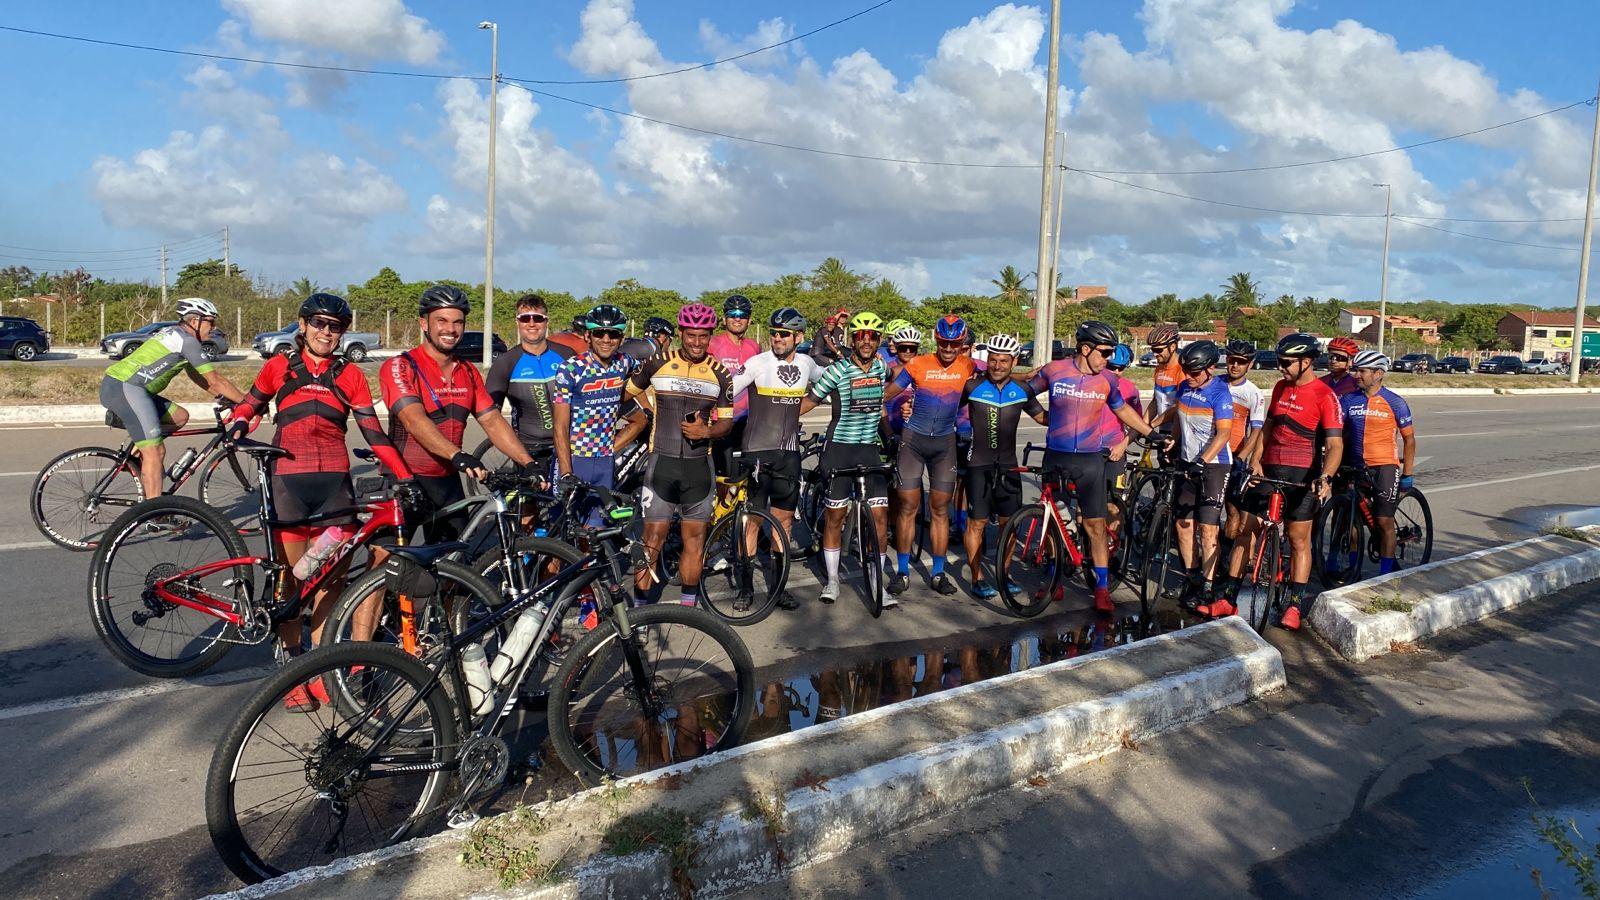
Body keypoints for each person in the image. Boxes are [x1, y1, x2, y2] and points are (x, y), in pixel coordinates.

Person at [224, 293, 420, 708]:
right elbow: (250, 405)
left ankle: (321, 670)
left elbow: (372, 433)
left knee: (328, 583)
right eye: (319, 324)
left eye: (336, 327)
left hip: (334, 489)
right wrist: (240, 422)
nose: (326, 333)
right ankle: (293, 672)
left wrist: (403, 475)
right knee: (291, 584)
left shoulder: (349, 376)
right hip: (288, 486)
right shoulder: (279, 366)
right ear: (302, 324)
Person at [1026, 321, 1170, 612]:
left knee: (1095, 526)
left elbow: (1123, 410)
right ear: (1085, 347)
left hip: (1090, 462)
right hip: (1057, 457)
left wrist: (1149, 433)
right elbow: (1025, 394)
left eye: (1111, 353)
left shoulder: (1108, 380)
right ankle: (1055, 581)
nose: (1107, 359)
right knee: (1054, 522)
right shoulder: (1055, 370)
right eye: (1104, 352)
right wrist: (1041, 417)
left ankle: (1102, 589)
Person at [379, 284, 535, 543]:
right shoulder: (401, 366)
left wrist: (527, 462)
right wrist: (458, 455)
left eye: (458, 322)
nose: (450, 329)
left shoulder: (468, 371)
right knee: (384, 567)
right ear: (424, 323)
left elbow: (492, 421)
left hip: (446, 482)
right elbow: (414, 420)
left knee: (454, 563)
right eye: (441, 320)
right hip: (403, 481)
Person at [1213, 333, 1344, 629]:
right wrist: (1257, 459)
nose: (1281, 367)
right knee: (1247, 530)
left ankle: (1294, 606)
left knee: (1298, 540)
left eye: (1286, 362)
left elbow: (1335, 445)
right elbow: (1268, 427)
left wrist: (1325, 476)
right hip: (1270, 469)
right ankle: (1229, 596)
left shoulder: (1325, 395)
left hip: (1304, 475)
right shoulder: (1281, 386)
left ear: (1306, 362)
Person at [625, 303, 735, 609]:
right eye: (691, 336)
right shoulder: (656, 362)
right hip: (662, 463)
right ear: (681, 333)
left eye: (703, 336)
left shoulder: (720, 374)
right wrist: (641, 415)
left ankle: (689, 607)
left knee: (694, 541)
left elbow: (726, 422)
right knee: (652, 540)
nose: (697, 343)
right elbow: (623, 394)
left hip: (699, 469)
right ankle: (640, 611)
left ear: (710, 335)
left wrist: (708, 433)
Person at [100, 298, 247, 500]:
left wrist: (222, 397)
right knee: (155, 451)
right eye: (210, 322)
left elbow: (197, 375)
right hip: (126, 388)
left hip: (125, 387)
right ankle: (154, 515)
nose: (213, 328)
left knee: (179, 417)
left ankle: (136, 454)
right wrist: (248, 402)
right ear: (195, 321)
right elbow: (215, 380)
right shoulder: (187, 341)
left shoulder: (177, 335)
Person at [797, 312, 895, 607]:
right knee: (835, 516)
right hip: (839, 448)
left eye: (872, 336)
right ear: (852, 339)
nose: (866, 341)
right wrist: (778, 418)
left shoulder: (881, 368)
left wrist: (890, 435)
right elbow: (810, 402)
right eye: (861, 336)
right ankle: (832, 581)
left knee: (879, 518)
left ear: (878, 341)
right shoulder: (837, 371)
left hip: (868, 448)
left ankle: (879, 584)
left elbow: (885, 400)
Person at [729, 306, 822, 611]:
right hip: (757, 453)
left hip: (789, 455)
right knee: (752, 521)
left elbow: (832, 384)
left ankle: (779, 589)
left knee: (783, 523)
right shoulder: (757, 363)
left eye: (784, 334)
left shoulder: (808, 364)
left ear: (799, 336)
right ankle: (745, 589)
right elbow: (726, 391)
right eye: (774, 333)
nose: (777, 338)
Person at [882, 314, 977, 597]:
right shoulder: (917, 364)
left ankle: (937, 573)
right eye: (943, 343)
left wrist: (1030, 376)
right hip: (913, 442)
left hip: (944, 445)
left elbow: (999, 373)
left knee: (939, 510)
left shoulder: (968, 365)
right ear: (936, 340)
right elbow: (887, 394)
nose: (948, 349)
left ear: (962, 343)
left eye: (954, 344)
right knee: (908, 507)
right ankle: (901, 572)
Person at [958, 334, 1045, 599]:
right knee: (977, 524)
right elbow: (944, 410)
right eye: (993, 360)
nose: (997, 365)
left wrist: (1074, 415)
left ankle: (1004, 575)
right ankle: (977, 578)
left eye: (1003, 361)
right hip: (978, 465)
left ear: (1013, 361)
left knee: (1010, 524)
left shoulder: (1022, 391)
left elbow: (1042, 417)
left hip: (1008, 466)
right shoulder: (972, 386)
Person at [1150, 340, 1234, 608]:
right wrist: (1174, 440)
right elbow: (1179, 417)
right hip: (1187, 462)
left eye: (1195, 372)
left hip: (1214, 465)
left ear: (1210, 368)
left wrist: (1203, 460)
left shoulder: (1220, 393)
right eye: (1186, 370)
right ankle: (1192, 578)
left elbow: (1224, 434)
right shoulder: (1185, 386)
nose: (1189, 377)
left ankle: (1209, 587)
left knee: (1208, 530)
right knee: (1183, 525)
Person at [552, 304, 646, 520]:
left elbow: (646, 378)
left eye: (613, 334)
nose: (606, 339)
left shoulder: (625, 362)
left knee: (595, 532)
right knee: (562, 537)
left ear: (621, 337)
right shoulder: (570, 369)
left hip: (604, 461)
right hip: (575, 459)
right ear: (588, 335)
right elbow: (560, 426)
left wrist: (649, 409)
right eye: (599, 333)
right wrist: (566, 472)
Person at [1338, 350, 1417, 576]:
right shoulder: (1349, 400)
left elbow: (1409, 439)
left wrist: (1407, 474)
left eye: (1362, 371)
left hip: (1384, 466)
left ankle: (1385, 574)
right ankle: (1353, 568)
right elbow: (1338, 432)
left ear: (1378, 374)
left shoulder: (1395, 402)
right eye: (1355, 370)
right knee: (1352, 521)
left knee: (1384, 521)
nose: (1356, 375)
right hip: (1354, 466)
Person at [485, 293, 575, 481]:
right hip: (529, 447)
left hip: (569, 444)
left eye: (538, 318)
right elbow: (490, 415)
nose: (532, 324)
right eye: (525, 318)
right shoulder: (506, 362)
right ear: (517, 322)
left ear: (546, 322)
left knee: (568, 504)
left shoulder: (566, 355)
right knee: (529, 507)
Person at [709, 294, 761, 479]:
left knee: (746, 476)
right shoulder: (713, 343)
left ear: (750, 319)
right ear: (724, 319)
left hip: (747, 421)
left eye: (743, 314)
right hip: (719, 419)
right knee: (722, 476)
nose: (737, 318)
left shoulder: (754, 347)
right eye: (732, 313)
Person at [1144, 323, 1183, 428]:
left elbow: (1179, 406)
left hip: (1179, 432)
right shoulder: (1159, 367)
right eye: (1153, 350)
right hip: (1162, 427)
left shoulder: (1182, 370)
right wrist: (1143, 425)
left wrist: (1152, 425)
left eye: (1158, 350)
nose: (1155, 354)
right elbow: (1155, 400)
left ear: (1173, 347)